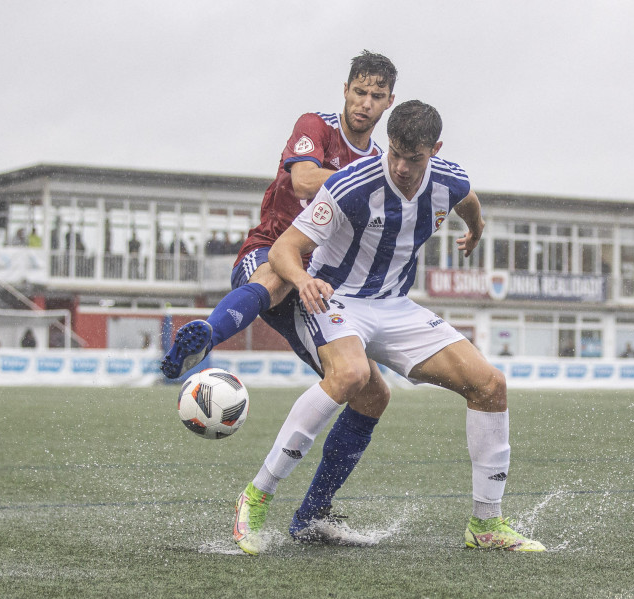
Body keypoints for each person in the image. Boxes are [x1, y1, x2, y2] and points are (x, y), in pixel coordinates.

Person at [232, 100, 545, 555]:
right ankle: (256, 495)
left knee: (490, 384)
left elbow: (468, 200)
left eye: (413, 158)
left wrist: (475, 229)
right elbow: (284, 249)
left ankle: (486, 524)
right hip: (338, 298)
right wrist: (302, 280)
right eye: (394, 152)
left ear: (434, 151)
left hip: (395, 306)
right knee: (352, 376)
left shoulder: (449, 178)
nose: (400, 166)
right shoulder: (349, 185)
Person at [160, 50, 397, 379]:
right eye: (359, 92)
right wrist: (367, 180)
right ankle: (205, 338)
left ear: (389, 102)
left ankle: (303, 432)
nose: (365, 103)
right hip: (268, 252)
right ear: (345, 90)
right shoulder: (315, 127)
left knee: (366, 387)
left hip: (316, 286)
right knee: (278, 274)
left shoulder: (378, 161)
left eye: (376, 96)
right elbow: (303, 182)